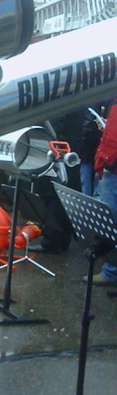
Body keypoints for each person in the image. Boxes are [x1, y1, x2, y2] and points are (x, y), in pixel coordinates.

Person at [91, 99, 117, 286]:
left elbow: (113, 139)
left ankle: (111, 271)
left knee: (112, 221)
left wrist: (106, 163)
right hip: (110, 166)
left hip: (113, 169)